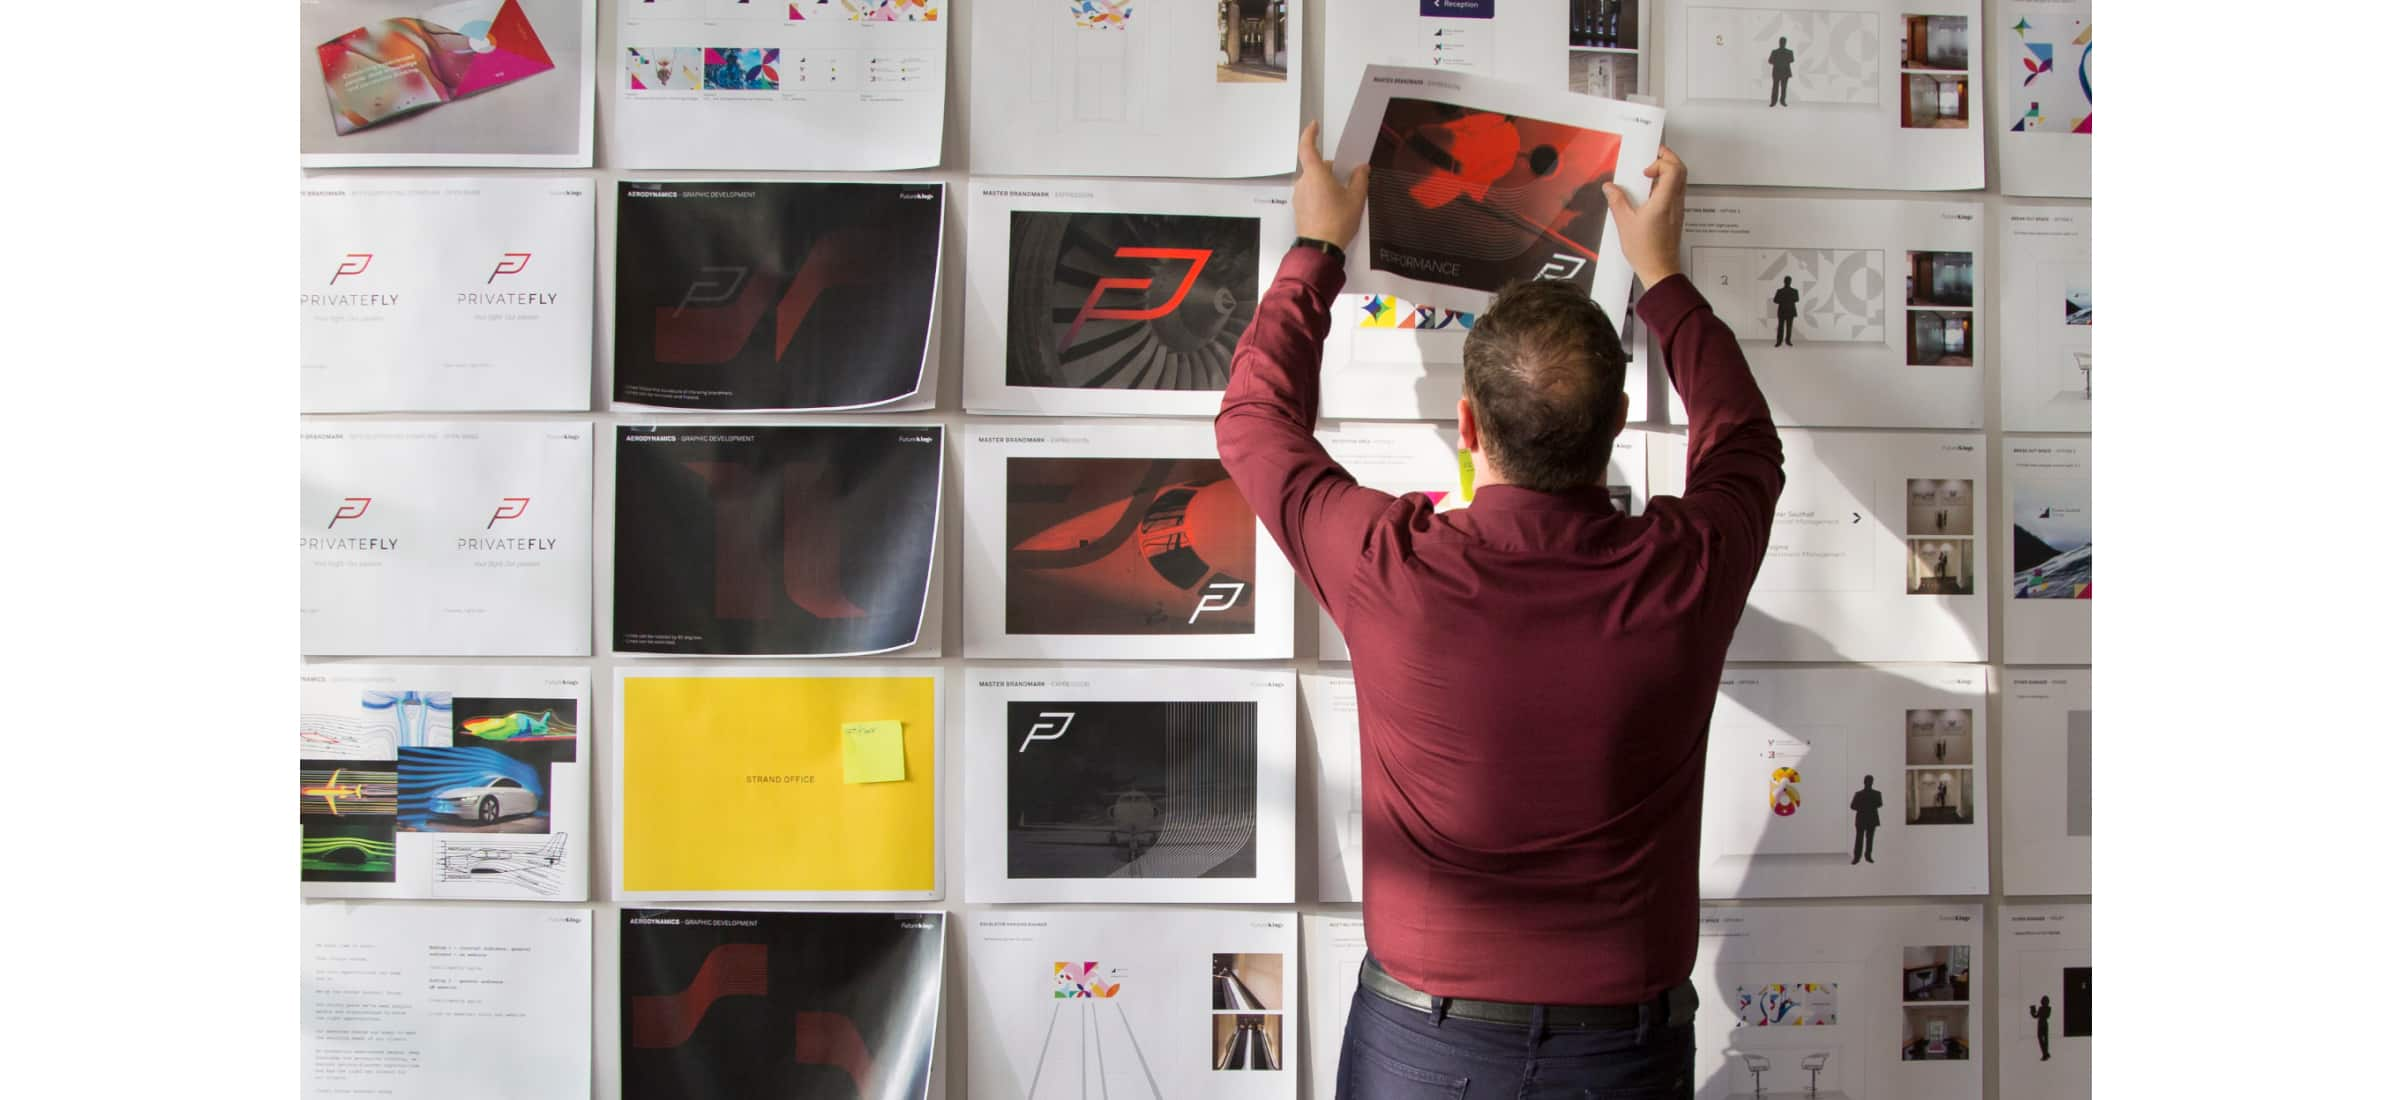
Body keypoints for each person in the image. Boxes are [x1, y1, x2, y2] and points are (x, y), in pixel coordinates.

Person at [1217, 124, 1783, 1100]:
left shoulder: (1387, 565)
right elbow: (1743, 445)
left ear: (1467, 428)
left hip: (1420, 1047)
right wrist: (1661, 277)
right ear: (1614, 426)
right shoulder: (1685, 570)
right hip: (1623, 1052)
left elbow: (1252, 422)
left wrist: (1315, 248)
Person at [1850, 776, 1882, 864]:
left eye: (1869, 781)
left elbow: (1879, 804)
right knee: (1864, 839)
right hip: (1868, 819)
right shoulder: (1875, 794)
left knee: (1866, 839)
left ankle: (1863, 857)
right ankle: (1860, 857)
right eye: (1868, 781)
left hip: (1864, 819)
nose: (1868, 782)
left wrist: (1862, 806)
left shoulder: (1860, 794)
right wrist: (1868, 806)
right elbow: (1852, 806)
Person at [1768, 36, 1795, 106]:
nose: (1782, 43)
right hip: (1781, 71)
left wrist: (1778, 62)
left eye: (1783, 42)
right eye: (1781, 42)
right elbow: (1770, 61)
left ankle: (1780, 101)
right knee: (1777, 87)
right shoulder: (1776, 52)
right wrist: (1782, 62)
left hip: (1781, 71)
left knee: (1782, 87)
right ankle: (1775, 101)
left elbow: (1792, 60)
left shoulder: (1788, 52)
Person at [1772, 276, 1799, 346]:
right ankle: (1781, 341)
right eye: (1787, 280)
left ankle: (1786, 341)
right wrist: (1787, 299)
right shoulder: (1782, 291)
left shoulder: (1791, 291)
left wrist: (1783, 299)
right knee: (1782, 327)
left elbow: (1797, 299)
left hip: (1786, 311)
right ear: (1785, 281)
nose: (1788, 282)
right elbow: (1775, 300)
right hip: (1785, 311)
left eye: (1788, 280)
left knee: (1787, 327)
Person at [2030, 995, 2053, 1060]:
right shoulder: (2042, 1008)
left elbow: (2046, 1016)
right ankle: (2045, 1053)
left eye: (2044, 1001)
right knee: (2042, 1039)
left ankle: (2045, 1054)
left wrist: (2037, 1013)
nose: (2042, 1002)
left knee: (2044, 1040)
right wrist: (2032, 1010)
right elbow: (2035, 1016)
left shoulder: (2048, 1008)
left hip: (2043, 1024)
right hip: (2041, 1024)